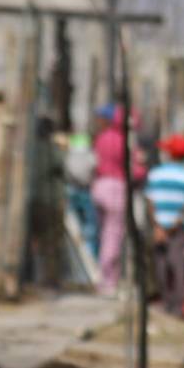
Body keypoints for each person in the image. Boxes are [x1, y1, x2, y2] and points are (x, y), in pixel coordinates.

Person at [145, 133, 184, 319]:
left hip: (158, 226)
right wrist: (176, 221)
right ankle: (178, 305)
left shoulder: (156, 173)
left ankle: (167, 301)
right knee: (177, 265)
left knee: (160, 265)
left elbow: (150, 201)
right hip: (177, 227)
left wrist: (157, 226)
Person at [90, 105, 133, 294]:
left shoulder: (100, 138)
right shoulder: (123, 141)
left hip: (99, 187)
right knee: (113, 235)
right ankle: (108, 280)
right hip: (116, 188)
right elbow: (133, 169)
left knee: (102, 234)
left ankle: (102, 276)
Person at [63, 131, 99, 262]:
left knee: (73, 227)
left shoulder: (70, 154)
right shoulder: (90, 154)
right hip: (86, 191)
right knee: (89, 230)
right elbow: (95, 167)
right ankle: (90, 260)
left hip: (71, 190)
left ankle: (75, 261)